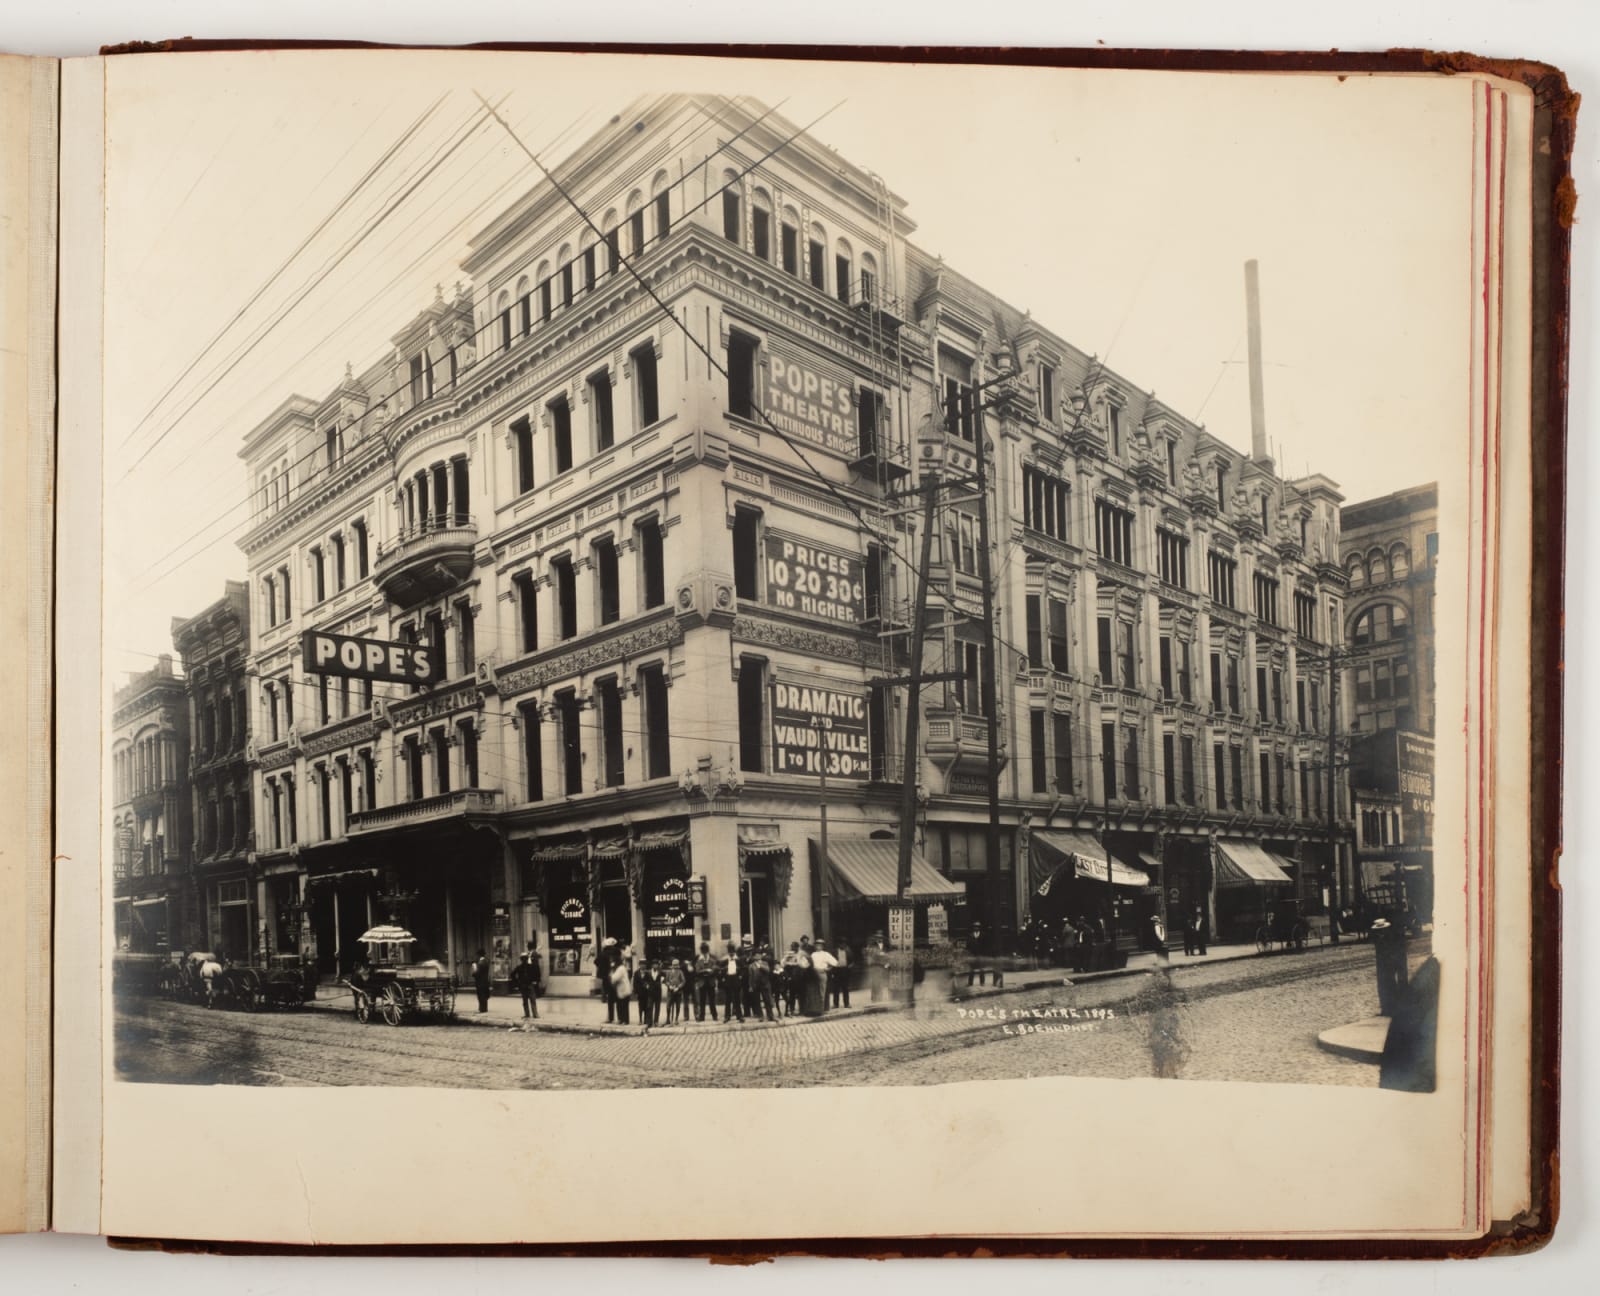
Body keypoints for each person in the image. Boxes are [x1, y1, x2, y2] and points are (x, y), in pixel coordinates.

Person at [748, 943, 778, 1022]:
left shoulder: (765, 963)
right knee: (757, 1001)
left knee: (767, 1000)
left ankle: (770, 1015)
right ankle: (760, 1016)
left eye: (759, 955)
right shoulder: (751, 966)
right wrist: (750, 986)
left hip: (765, 984)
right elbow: (750, 976)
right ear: (754, 957)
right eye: (756, 955)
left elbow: (768, 970)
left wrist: (760, 966)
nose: (758, 956)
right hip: (756, 985)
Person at [798, 935, 824, 1016]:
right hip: (808, 977)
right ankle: (811, 1010)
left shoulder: (809, 958)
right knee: (809, 994)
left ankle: (814, 1010)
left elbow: (807, 966)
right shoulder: (802, 953)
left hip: (811, 977)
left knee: (812, 994)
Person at [809, 941, 838, 1015]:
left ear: (822, 946)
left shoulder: (825, 954)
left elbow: (835, 962)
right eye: (816, 945)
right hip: (813, 974)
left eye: (819, 945)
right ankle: (816, 1009)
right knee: (815, 992)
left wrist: (828, 968)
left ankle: (822, 1009)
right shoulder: (813, 954)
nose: (817, 947)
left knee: (822, 991)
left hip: (822, 973)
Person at [693, 942, 719, 1022]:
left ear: (707, 951)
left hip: (711, 982)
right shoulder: (699, 961)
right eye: (703, 952)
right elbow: (697, 971)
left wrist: (708, 971)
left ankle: (714, 1015)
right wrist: (706, 970)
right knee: (702, 1001)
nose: (704, 954)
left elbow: (715, 969)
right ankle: (702, 1017)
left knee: (712, 1001)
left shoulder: (712, 960)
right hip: (702, 983)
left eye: (706, 952)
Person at [510, 952, 539, 1019]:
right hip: (525, 985)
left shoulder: (527, 967)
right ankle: (532, 1014)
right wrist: (517, 982)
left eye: (525, 958)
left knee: (529, 1000)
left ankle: (531, 1014)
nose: (524, 960)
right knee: (529, 1000)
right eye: (523, 959)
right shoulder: (522, 967)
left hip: (527, 985)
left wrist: (517, 982)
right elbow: (512, 974)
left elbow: (512, 975)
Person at [721, 942, 745, 1022]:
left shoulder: (738, 960)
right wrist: (723, 977)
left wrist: (740, 976)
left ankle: (739, 1016)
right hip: (728, 979)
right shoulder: (725, 960)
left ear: (734, 952)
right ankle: (727, 1016)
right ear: (728, 952)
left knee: (737, 998)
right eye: (730, 952)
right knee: (728, 999)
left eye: (732, 952)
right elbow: (720, 969)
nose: (731, 954)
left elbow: (743, 968)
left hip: (736, 979)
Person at [609, 949, 634, 1024]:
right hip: (622, 990)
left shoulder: (620, 969)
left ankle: (624, 1020)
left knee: (623, 1006)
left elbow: (614, 978)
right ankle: (622, 1019)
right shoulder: (622, 968)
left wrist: (611, 974)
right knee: (621, 1005)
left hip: (623, 990)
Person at [634, 959, 658, 1030]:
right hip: (639, 992)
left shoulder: (648, 973)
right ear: (639, 965)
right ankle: (640, 1019)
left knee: (646, 1006)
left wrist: (647, 985)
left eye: (644, 964)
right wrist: (636, 992)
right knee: (640, 1006)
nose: (643, 966)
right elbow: (635, 983)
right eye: (641, 964)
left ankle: (645, 1020)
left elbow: (650, 982)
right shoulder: (636, 973)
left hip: (646, 993)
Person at [780, 942, 803, 1015]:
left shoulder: (800, 954)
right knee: (792, 994)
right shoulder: (789, 954)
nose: (792, 948)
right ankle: (792, 1009)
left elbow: (801, 964)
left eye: (794, 947)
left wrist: (794, 962)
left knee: (800, 994)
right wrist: (787, 958)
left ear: (797, 947)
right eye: (792, 947)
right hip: (791, 977)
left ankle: (801, 1010)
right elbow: (782, 963)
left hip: (799, 977)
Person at [663, 958, 687, 1025]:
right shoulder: (668, 972)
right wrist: (669, 986)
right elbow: (666, 981)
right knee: (668, 1005)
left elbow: (683, 981)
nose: (675, 966)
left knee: (678, 1006)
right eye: (674, 965)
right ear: (672, 965)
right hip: (670, 991)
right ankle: (668, 1019)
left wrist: (678, 987)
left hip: (678, 992)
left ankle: (676, 1019)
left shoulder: (680, 972)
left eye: (676, 965)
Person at [866, 935, 889, 1002]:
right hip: (875, 966)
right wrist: (883, 955)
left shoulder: (883, 946)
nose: (879, 939)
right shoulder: (872, 947)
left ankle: (877, 997)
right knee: (876, 982)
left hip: (879, 966)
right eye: (878, 938)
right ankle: (875, 997)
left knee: (878, 982)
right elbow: (875, 954)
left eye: (881, 938)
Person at [830, 939, 851, 1008]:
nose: (842, 945)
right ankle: (836, 1004)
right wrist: (832, 972)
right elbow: (831, 961)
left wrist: (849, 967)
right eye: (841, 944)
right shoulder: (834, 952)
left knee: (845, 988)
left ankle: (847, 1004)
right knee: (836, 989)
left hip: (845, 970)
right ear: (838, 945)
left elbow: (852, 960)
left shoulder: (848, 951)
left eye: (844, 944)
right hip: (837, 971)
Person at [471, 948, 492, 1013]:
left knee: (481, 995)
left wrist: (473, 972)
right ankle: (484, 1008)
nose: (476, 956)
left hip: (480, 981)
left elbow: (477, 973)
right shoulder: (486, 961)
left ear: (479, 955)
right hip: (485, 981)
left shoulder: (480, 963)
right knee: (484, 995)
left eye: (477, 955)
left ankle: (482, 1009)